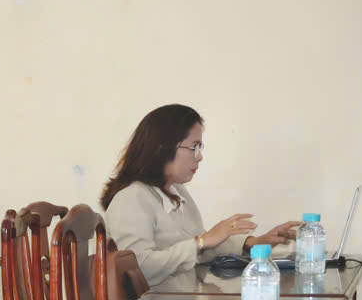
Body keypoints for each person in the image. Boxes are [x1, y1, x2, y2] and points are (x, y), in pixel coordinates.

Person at [102, 104, 300, 287]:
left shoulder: (177, 191)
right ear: (163, 148)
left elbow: (199, 252)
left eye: (200, 147)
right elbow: (139, 268)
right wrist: (201, 241)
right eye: (193, 147)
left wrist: (253, 243)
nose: (200, 156)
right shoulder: (130, 199)